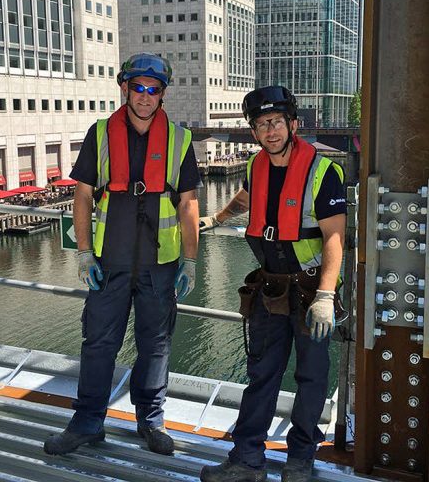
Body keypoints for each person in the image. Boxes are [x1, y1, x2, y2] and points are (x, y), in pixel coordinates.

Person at [44, 53, 201, 457]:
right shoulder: (100, 134)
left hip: (160, 266)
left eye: (154, 90)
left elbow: (187, 204)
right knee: (97, 343)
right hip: (108, 262)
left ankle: (150, 421)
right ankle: (87, 422)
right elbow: (81, 197)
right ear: (124, 88)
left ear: (163, 94)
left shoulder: (180, 140)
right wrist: (83, 254)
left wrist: (191, 259)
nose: (146, 96)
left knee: (156, 345)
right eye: (138, 88)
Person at [199, 86, 348, 482]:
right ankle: (247, 460)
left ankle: (301, 457)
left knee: (312, 376)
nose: (271, 130)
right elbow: (246, 200)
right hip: (271, 288)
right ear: (254, 132)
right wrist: (217, 218)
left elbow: (335, 237)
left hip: (312, 289)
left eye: (277, 122)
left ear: (293, 125)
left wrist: (326, 297)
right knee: (262, 374)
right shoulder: (255, 166)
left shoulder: (323, 172)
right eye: (262, 124)